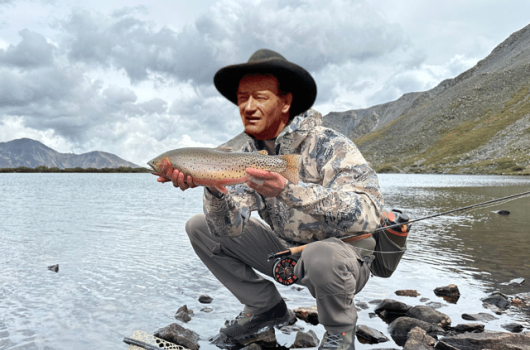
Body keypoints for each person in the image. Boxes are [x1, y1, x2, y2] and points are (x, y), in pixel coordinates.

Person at [155, 49, 384, 350]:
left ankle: (339, 333)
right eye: (242, 98)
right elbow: (228, 230)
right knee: (199, 226)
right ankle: (265, 308)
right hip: (285, 253)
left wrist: (288, 190)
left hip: (342, 260)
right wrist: (214, 190)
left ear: (286, 102)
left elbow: (368, 213)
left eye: (260, 97)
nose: (248, 107)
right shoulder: (248, 156)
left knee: (322, 255)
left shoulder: (330, 145)